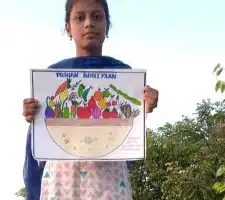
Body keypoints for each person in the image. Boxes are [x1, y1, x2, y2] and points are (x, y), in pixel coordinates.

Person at [22, 0, 159, 199]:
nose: (89, 23)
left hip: (109, 177)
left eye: (97, 17)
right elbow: (40, 138)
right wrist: (32, 113)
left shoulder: (125, 76)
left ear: (107, 26)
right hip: (62, 178)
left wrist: (145, 105)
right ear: (68, 28)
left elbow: (129, 134)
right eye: (80, 17)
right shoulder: (53, 76)